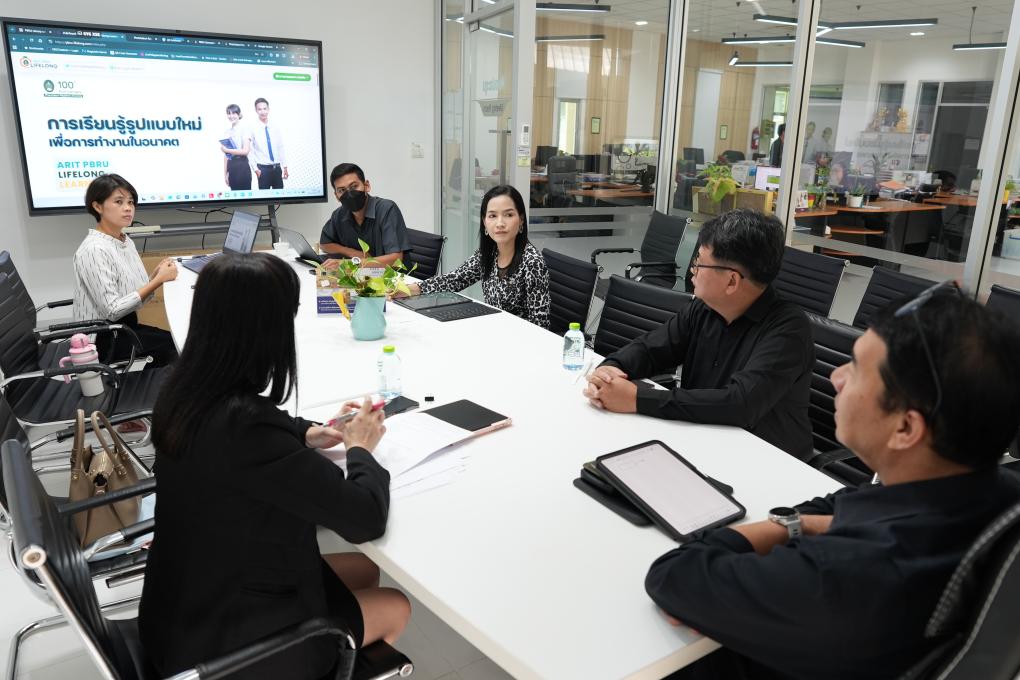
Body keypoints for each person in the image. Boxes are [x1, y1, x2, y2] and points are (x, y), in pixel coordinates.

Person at [645, 287, 1020, 680]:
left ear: (906, 428)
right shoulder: (986, 492)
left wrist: (784, 526)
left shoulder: (845, 576)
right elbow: (842, 504)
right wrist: (805, 523)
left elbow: (675, 575)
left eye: (855, 369)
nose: (835, 377)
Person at [140, 253, 410, 680]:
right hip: (224, 646)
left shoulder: (183, 391)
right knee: (396, 606)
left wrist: (308, 434)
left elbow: (259, 428)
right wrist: (360, 449)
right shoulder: (246, 430)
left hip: (181, 604)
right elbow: (365, 519)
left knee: (365, 569)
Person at [583, 209, 812, 460]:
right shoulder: (704, 308)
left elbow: (739, 404)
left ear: (732, 281)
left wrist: (636, 399)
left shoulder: (788, 330)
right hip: (702, 440)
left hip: (766, 460)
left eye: (699, 263)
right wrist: (611, 369)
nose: (692, 270)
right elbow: (651, 349)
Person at [402, 184, 551, 329]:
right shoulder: (489, 253)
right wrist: (410, 289)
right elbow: (455, 279)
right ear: (484, 222)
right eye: (492, 216)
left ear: (521, 220)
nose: (500, 223)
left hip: (519, 339)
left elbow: (540, 325)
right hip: (492, 330)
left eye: (509, 215)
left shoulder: (532, 262)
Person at [72, 174, 179, 367]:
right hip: (102, 341)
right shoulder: (94, 249)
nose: (128, 208)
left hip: (124, 328)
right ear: (98, 207)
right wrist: (158, 281)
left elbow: (133, 293)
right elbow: (113, 310)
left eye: (130, 202)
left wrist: (155, 276)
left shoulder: (123, 239)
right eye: (119, 202)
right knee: (176, 348)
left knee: (177, 341)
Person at [319, 163, 410, 266]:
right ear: (336, 196)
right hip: (362, 274)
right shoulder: (339, 214)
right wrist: (352, 252)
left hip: (393, 274)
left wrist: (350, 263)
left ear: (366, 186)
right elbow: (324, 244)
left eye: (354, 186)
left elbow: (396, 259)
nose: (349, 193)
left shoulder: (387, 209)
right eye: (342, 190)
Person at [249, 97, 287, 190]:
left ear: (268, 109)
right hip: (263, 169)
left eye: (265, 109)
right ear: (256, 111)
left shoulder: (275, 126)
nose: (263, 112)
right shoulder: (252, 128)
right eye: (259, 109)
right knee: (264, 196)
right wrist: (256, 169)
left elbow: (280, 147)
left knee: (280, 196)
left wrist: (285, 166)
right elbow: (250, 151)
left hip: (277, 168)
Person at [221, 103, 252, 191]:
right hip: (231, 166)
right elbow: (226, 156)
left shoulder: (245, 130)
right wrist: (225, 173)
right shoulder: (227, 132)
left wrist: (227, 150)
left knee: (245, 195)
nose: (231, 116)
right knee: (234, 194)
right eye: (229, 113)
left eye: (234, 113)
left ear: (239, 114)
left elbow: (246, 151)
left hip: (242, 165)